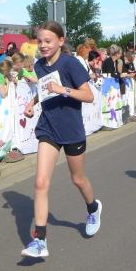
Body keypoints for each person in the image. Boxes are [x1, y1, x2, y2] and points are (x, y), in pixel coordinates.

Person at [20, 21, 101, 258]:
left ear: (60, 41)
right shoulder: (39, 65)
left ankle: (93, 208)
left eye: (48, 41)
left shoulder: (70, 63)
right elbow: (44, 90)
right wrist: (31, 103)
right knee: (40, 183)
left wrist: (62, 89)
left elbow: (88, 96)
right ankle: (40, 241)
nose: (43, 45)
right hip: (48, 128)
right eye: (40, 41)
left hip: (71, 130)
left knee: (78, 179)